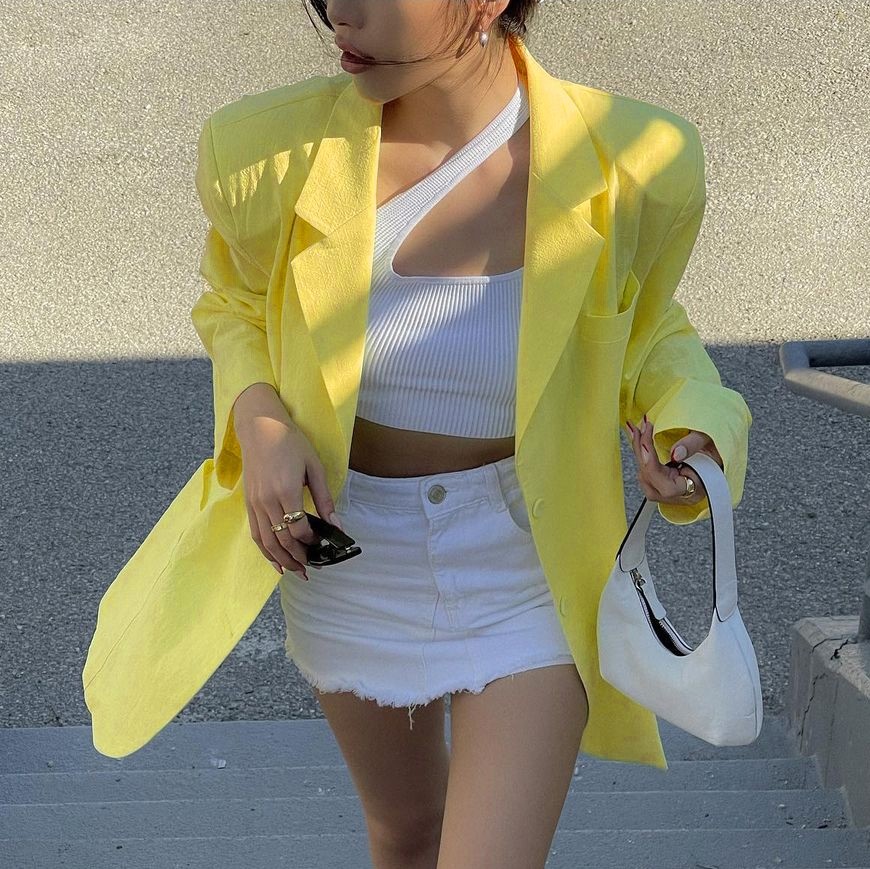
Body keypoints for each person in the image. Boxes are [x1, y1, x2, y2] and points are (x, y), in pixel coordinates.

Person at [82, 1, 751, 866]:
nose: (340, 15)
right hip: (348, 549)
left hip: (527, 560)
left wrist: (695, 426)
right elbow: (236, 303)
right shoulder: (268, 154)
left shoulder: (632, 159)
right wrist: (262, 417)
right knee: (405, 831)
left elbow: (650, 327)